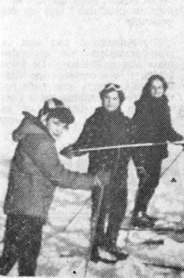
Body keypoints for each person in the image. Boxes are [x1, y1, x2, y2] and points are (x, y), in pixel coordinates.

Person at [0, 99, 109, 276]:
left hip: (25, 209)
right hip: (27, 211)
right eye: (56, 122)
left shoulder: (35, 137)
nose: (59, 129)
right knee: (21, 261)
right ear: (44, 118)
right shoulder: (40, 142)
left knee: (17, 258)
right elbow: (59, 175)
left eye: (63, 125)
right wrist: (93, 180)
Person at [62, 83, 134, 262]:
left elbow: (133, 147)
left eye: (114, 98)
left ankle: (110, 242)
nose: (110, 102)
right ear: (102, 99)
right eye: (107, 98)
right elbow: (84, 143)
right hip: (101, 172)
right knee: (100, 211)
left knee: (118, 210)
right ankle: (95, 247)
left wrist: (139, 162)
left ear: (120, 101)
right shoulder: (94, 120)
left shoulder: (126, 122)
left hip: (120, 174)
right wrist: (74, 150)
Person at [130, 75, 184, 228]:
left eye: (159, 87)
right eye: (153, 87)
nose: (156, 90)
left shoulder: (163, 105)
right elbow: (136, 129)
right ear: (148, 88)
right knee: (146, 181)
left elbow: (166, 129)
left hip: (156, 151)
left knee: (152, 182)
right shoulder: (143, 105)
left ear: (164, 89)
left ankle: (142, 211)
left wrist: (180, 140)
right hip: (143, 151)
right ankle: (138, 214)